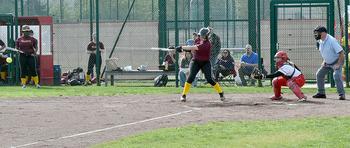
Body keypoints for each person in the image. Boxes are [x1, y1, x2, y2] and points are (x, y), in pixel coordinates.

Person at [175, 27, 225, 102]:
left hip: (205, 62)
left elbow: (194, 47)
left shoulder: (207, 44)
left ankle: (221, 93)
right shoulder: (198, 39)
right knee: (191, 77)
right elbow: (192, 48)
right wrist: (182, 49)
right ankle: (183, 95)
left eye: (202, 35)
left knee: (209, 79)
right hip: (195, 61)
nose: (200, 36)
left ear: (206, 36)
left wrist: (181, 47)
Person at [313, 26, 346, 100]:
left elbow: (341, 53)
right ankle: (321, 93)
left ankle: (342, 94)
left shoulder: (332, 40)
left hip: (337, 60)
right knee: (319, 74)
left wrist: (338, 64)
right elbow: (325, 52)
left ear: (324, 33)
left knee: (336, 75)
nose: (316, 34)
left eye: (318, 33)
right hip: (327, 62)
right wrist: (324, 61)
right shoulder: (319, 41)